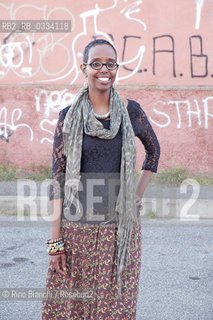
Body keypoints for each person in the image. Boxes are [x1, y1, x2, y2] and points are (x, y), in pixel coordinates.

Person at [41, 39, 160, 320]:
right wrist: (55, 243)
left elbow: (154, 151)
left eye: (110, 63)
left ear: (117, 68)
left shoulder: (132, 112)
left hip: (120, 231)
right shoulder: (68, 118)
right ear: (84, 68)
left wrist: (137, 194)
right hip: (75, 232)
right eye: (96, 63)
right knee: (72, 309)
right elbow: (58, 178)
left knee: (115, 308)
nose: (103, 69)